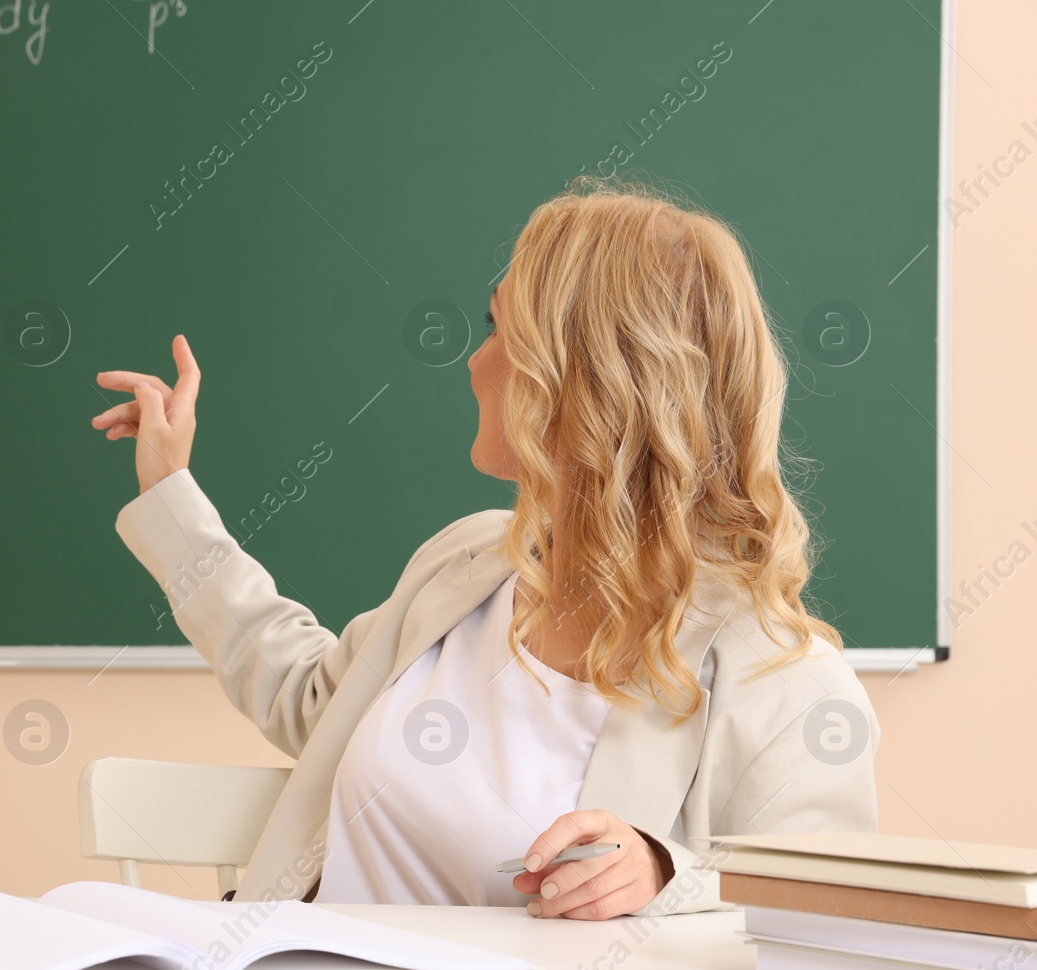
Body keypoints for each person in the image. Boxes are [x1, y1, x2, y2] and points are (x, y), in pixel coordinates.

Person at [90, 179, 878, 919]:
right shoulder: (463, 566)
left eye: (500, 328)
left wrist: (667, 875)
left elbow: (829, 911)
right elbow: (308, 698)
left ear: (582, 380)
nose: (473, 360)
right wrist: (171, 495)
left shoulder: (784, 679)